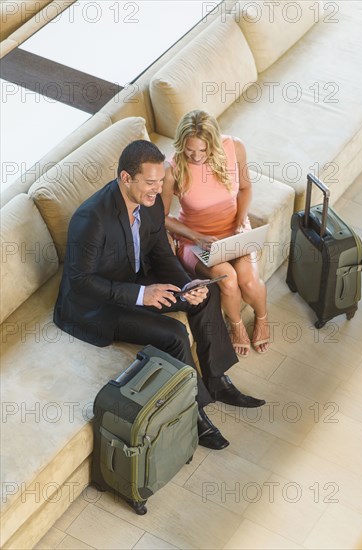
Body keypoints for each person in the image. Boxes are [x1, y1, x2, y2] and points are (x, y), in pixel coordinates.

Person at [54, 140, 266, 454]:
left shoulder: (150, 202)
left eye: (159, 182)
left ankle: (217, 379)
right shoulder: (92, 219)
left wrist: (188, 284)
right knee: (174, 334)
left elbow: (161, 253)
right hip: (98, 305)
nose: (158, 190)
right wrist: (142, 294)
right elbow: (81, 282)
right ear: (126, 179)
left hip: (136, 277)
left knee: (205, 293)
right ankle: (194, 412)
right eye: (150, 182)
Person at [161, 110, 270, 357]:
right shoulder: (172, 168)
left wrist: (241, 221)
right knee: (228, 279)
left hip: (235, 230)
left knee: (250, 283)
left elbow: (245, 188)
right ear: (181, 144)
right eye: (190, 150)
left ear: (214, 143)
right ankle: (237, 325)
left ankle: (262, 318)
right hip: (194, 238)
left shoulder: (235, 148)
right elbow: (162, 217)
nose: (197, 157)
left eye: (203, 150)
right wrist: (196, 237)